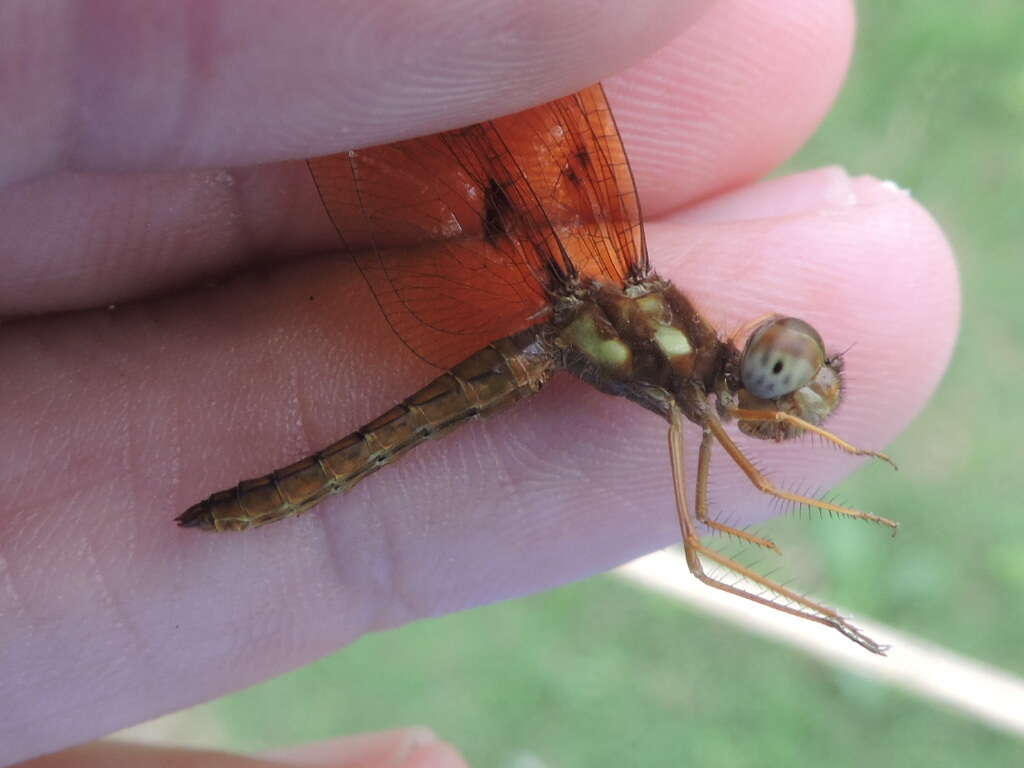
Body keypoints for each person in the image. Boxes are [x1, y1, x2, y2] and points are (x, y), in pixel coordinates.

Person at [0, 1, 958, 766]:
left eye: (786, 379)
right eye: (785, 374)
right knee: (707, 547)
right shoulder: (679, 369)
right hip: (536, 339)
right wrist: (826, 587)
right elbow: (723, 524)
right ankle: (830, 621)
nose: (784, 389)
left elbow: (741, 482)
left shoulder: (691, 380)